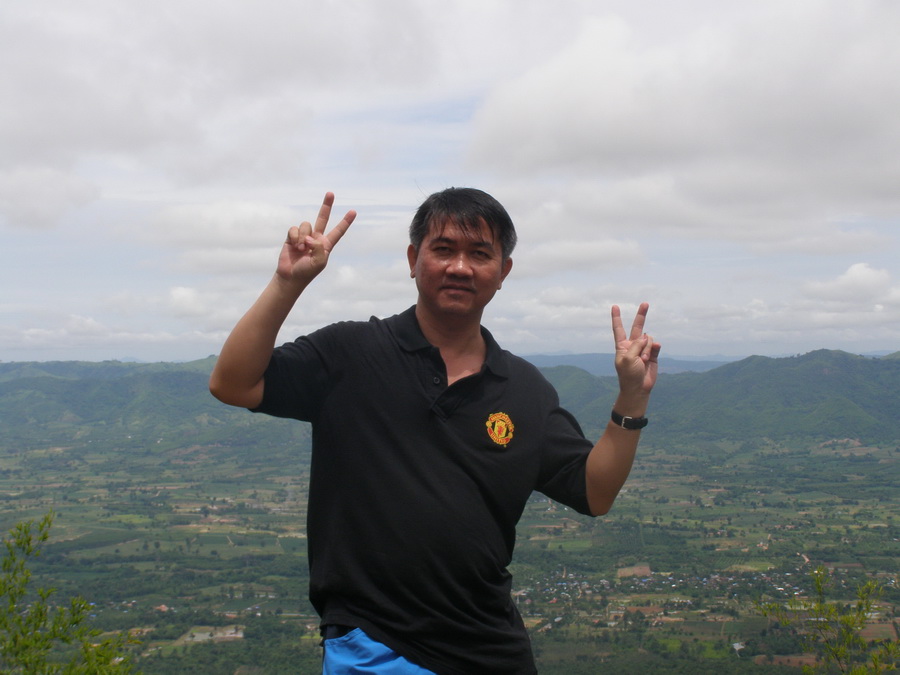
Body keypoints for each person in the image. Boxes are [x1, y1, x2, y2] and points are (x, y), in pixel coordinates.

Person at [209, 188, 661, 675]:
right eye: (443, 249)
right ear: (413, 260)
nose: (460, 267)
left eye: (480, 254)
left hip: (494, 650)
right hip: (376, 647)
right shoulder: (349, 354)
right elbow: (233, 383)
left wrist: (631, 398)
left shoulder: (524, 389)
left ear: (503, 272)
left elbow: (595, 492)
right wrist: (287, 283)